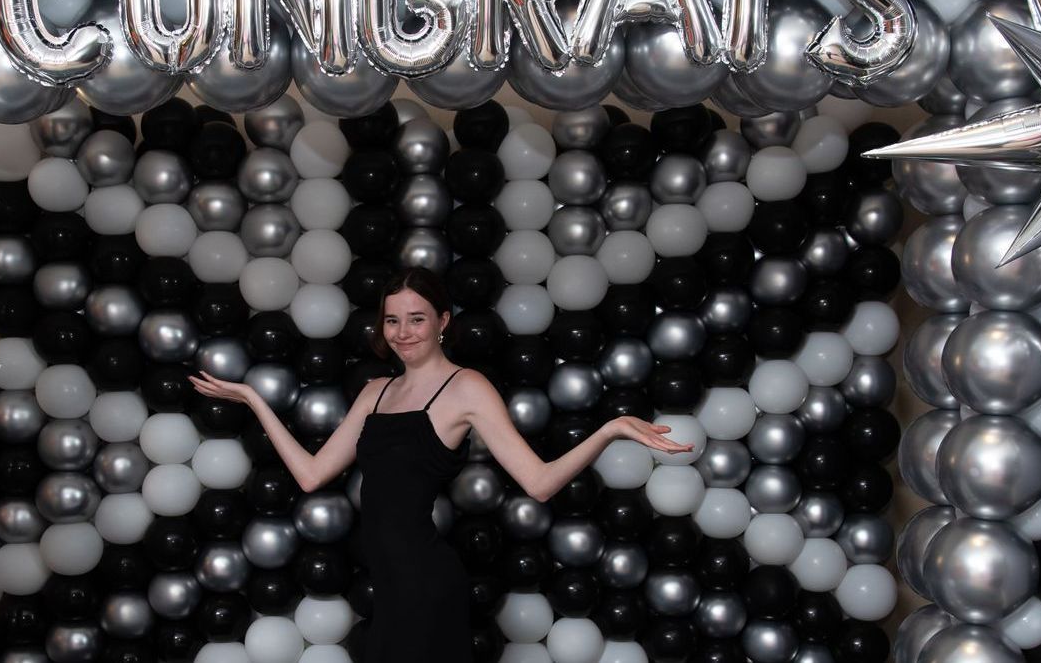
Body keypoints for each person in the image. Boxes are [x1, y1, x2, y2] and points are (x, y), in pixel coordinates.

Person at [189, 267, 693, 662]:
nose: (403, 333)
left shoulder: (467, 388)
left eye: (417, 318)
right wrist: (255, 400)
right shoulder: (374, 392)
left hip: (426, 584)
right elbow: (311, 474)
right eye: (392, 320)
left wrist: (609, 430)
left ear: (443, 321)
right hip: (387, 584)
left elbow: (539, 483)